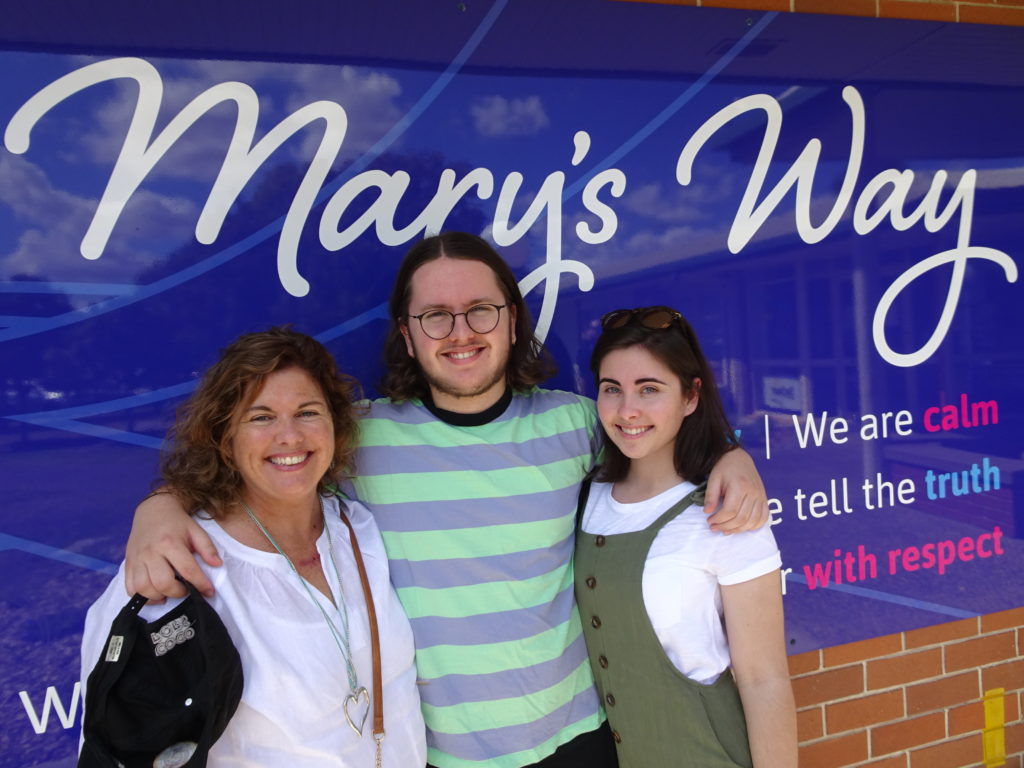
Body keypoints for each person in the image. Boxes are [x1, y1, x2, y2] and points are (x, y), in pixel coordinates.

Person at [124, 233, 771, 768]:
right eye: (435, 315)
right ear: (407, 334)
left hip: (579, 742)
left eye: (480, 310)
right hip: (437, 756)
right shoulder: (361, 435)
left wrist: (735, 458)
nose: (459, 331)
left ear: (511, 320)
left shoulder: (573, 424)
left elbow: (665, 433)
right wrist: (158, 508)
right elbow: (253, 459)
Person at [81, 328, 426, 767]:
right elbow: (122, 746)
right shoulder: (178, 568)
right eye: (261, 417)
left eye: (308, 412)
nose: (289, 436)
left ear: (335, 425)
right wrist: (159, 506)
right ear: (226, 439)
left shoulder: (359, 527)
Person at [575, 306, 797, 767]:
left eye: (649, 389)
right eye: (611, 389)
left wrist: (734, 456)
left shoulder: (726, 512)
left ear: (691, 397)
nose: (627, 409)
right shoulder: (585, 493)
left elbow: (763, 677)